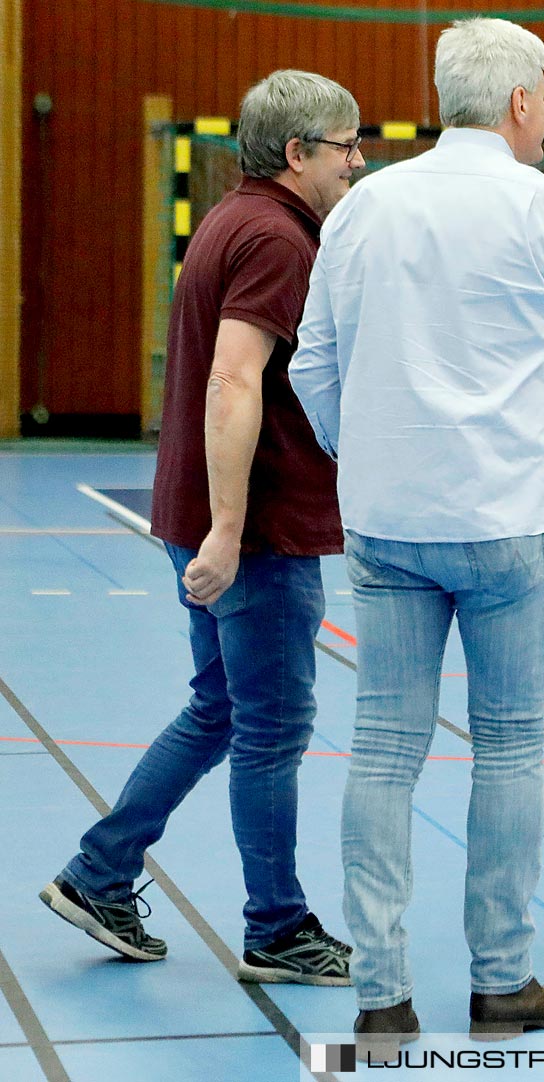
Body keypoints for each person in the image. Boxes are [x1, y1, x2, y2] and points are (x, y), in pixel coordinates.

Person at [290, 19, 544, 1043]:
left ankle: (382, 993)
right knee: (508, 747)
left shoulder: (363, 207)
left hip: (387, 521)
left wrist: (362, 457)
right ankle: (502, 980)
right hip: (508, 523)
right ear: (517, 103)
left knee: (381, 749)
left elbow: (309, 365)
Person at [38, 70, 361, 986]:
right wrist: (229, 530)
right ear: (297, 153)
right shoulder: (274, 239)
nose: (357, 160)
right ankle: (278, 927)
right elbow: (232, 380)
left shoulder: (239, 218)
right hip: (253, 534)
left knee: (222, 707)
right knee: (270, 725)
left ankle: (99, 872)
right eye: (345, 145)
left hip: (215, 519)